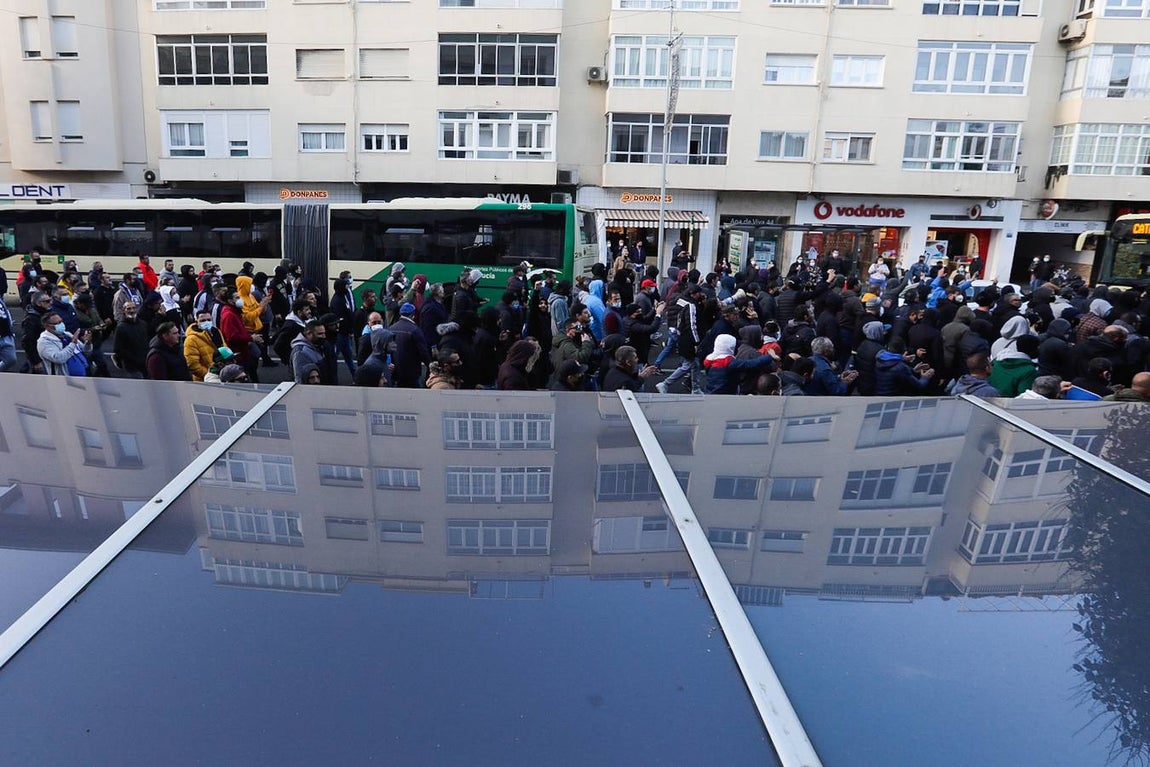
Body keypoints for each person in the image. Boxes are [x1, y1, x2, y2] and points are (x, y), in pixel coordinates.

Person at [658, 285, 705, 395]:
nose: (700, 295)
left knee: (693, 364)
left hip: (681, 335)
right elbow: (692, 324)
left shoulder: (680, 301)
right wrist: (696, 341)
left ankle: (695, 388)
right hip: (689, 339)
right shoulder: (691, 305)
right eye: (699, 293)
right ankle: (665, 383)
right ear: (694, 293)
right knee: (689, 364)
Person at [703, 334, 775, 395]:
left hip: (710, 394)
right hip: (726, 396)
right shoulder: (729, 363)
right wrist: (770, 356)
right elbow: (753, 363)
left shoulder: (710, 360)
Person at [389, 302, 431, 388]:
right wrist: (429, 364)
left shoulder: (391, 328)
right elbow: (423, 352)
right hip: (412, 372)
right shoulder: (415, 330)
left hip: (396, 371)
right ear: (413, 314)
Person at [112, 301, 150, 377]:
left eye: (133, 308)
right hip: (131, 366)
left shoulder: (143, 324)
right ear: (124, 311)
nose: (132, 311)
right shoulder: (121, 328)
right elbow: (117, 348)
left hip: (145, 363)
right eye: (128, 308)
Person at [291, 320, 328, 384]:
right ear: (309, 333)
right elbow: (300, 378)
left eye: (324, 333)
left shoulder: (316, 346)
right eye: (320, 334)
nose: (324, 336)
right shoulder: (301, 352)